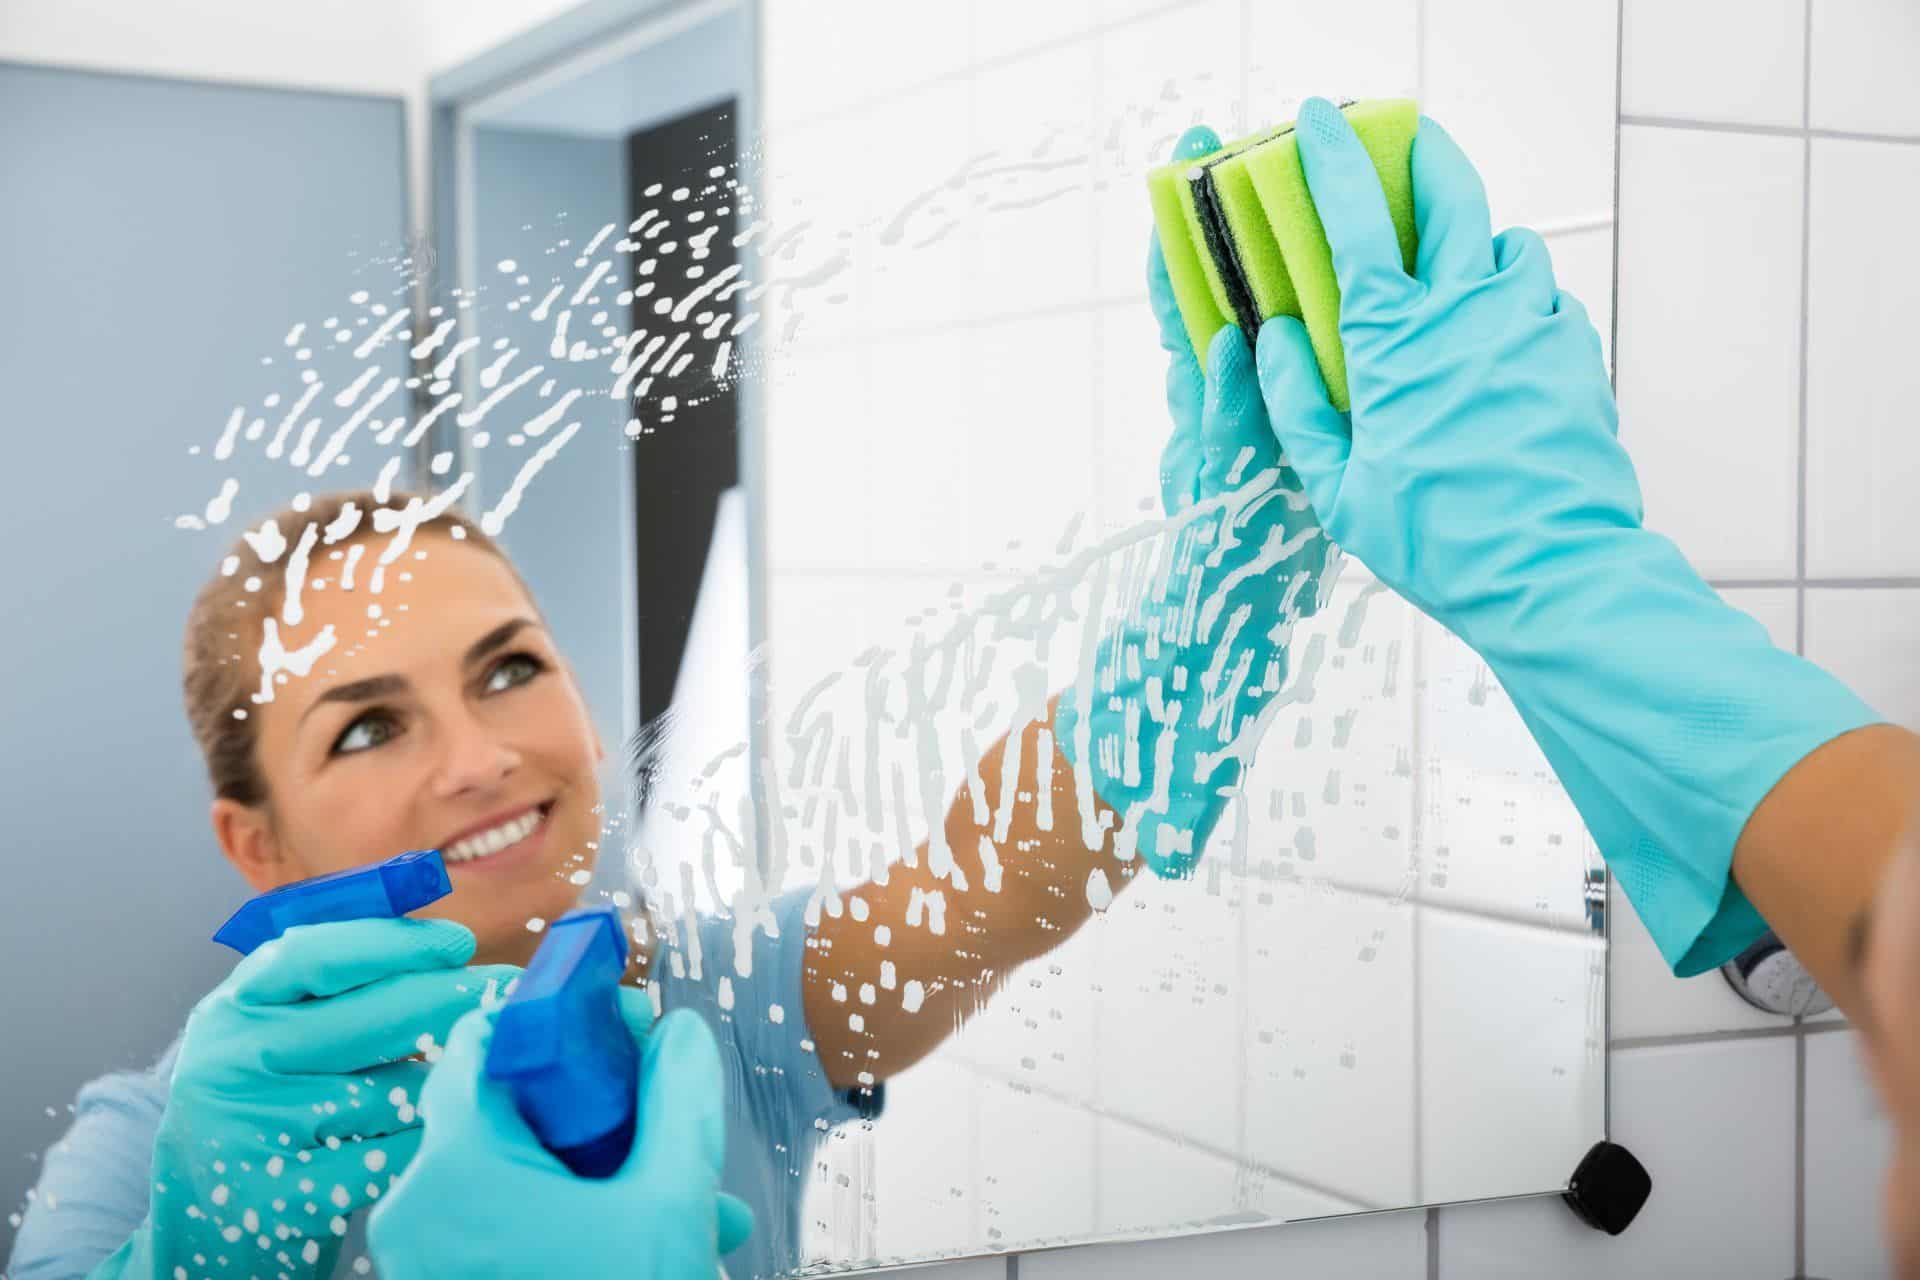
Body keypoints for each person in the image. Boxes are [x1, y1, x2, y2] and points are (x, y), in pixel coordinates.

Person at [9, 277, 1329, 1280]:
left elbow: (992, 879)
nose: (481, 759)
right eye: (366, 729)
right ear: (256, 845)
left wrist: (1212, 607)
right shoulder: (161, 1151)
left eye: (509, 668)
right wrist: (200, 1254)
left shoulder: (718, 996)